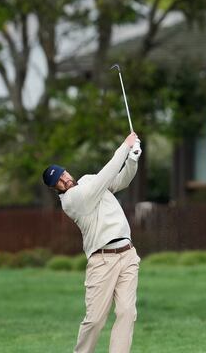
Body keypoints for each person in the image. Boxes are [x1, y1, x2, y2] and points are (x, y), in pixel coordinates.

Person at [42, 132, 142, 353]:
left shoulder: (88, 179)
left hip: (127, 254)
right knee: (95, 320)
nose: (64, 179)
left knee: (127, 312)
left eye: (62, 174)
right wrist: (125, 147)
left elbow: (119, 181)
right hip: (102, 260)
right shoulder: (71, 201)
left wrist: (133, 159)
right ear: (55, 189)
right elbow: (104, 178)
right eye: (57, 181)